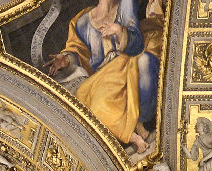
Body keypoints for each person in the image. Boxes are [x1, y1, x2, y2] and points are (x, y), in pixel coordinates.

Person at [44, 0, 159, 151]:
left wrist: (119, 31)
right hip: (104, 75)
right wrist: (66, 59)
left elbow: (136, 44)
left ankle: (139, 123)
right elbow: (77, 52)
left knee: (145, 63)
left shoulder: (125, 4)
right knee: (90, 103)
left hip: (126, 62)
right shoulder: (82, 22)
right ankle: (132, 134)